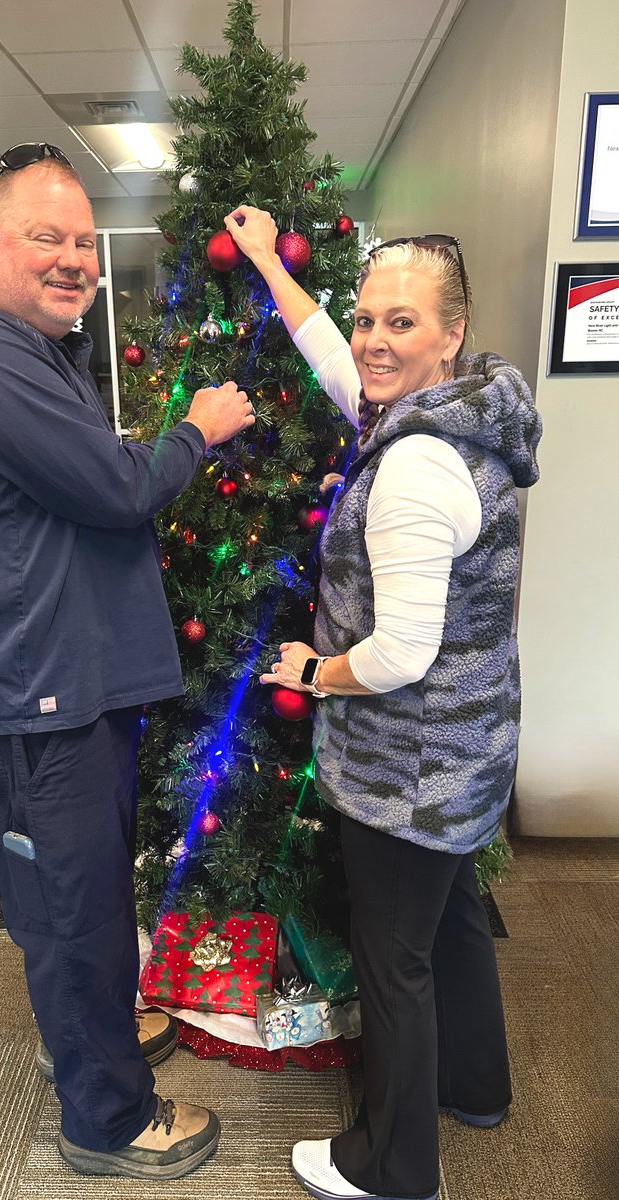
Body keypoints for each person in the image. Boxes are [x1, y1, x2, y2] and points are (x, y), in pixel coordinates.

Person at [0, 143, 255, 1181]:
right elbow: (115, 489)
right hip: (37, 702)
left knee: (89, 901)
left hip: (67, 688)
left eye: (79, 243)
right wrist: (196, 432)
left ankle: (100, 1035)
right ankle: (105, 1119)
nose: (71, 261)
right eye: (43, 238)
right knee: (71, 917)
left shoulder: (22, 346)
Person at [225, 207, 541, 1200]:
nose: (370, 339)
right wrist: (273, 265)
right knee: (450, 917)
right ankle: (475, 1088)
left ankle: (391, 1167)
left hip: (406, 767)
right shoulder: (460, 411)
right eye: (366, 318)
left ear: (450, 330)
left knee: (390, 959)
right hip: (470, 748)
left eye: (398, 323)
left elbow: (398, 656)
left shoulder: (409, 465)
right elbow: (332, 361)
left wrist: (306, 673)